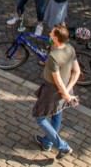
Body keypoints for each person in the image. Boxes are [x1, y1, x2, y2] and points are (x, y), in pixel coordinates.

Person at [32, 24, 79, 156]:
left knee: (39, 116)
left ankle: (62, 146)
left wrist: (65, 94)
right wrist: (68, 91)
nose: (49, 35)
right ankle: (47, 142)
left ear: (57, 38)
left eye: (51, 34)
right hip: (65, 88)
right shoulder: (70, 48)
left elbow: (57, 79)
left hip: (52, 90)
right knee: (57, 113)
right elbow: (76, 72)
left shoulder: (53, 56)